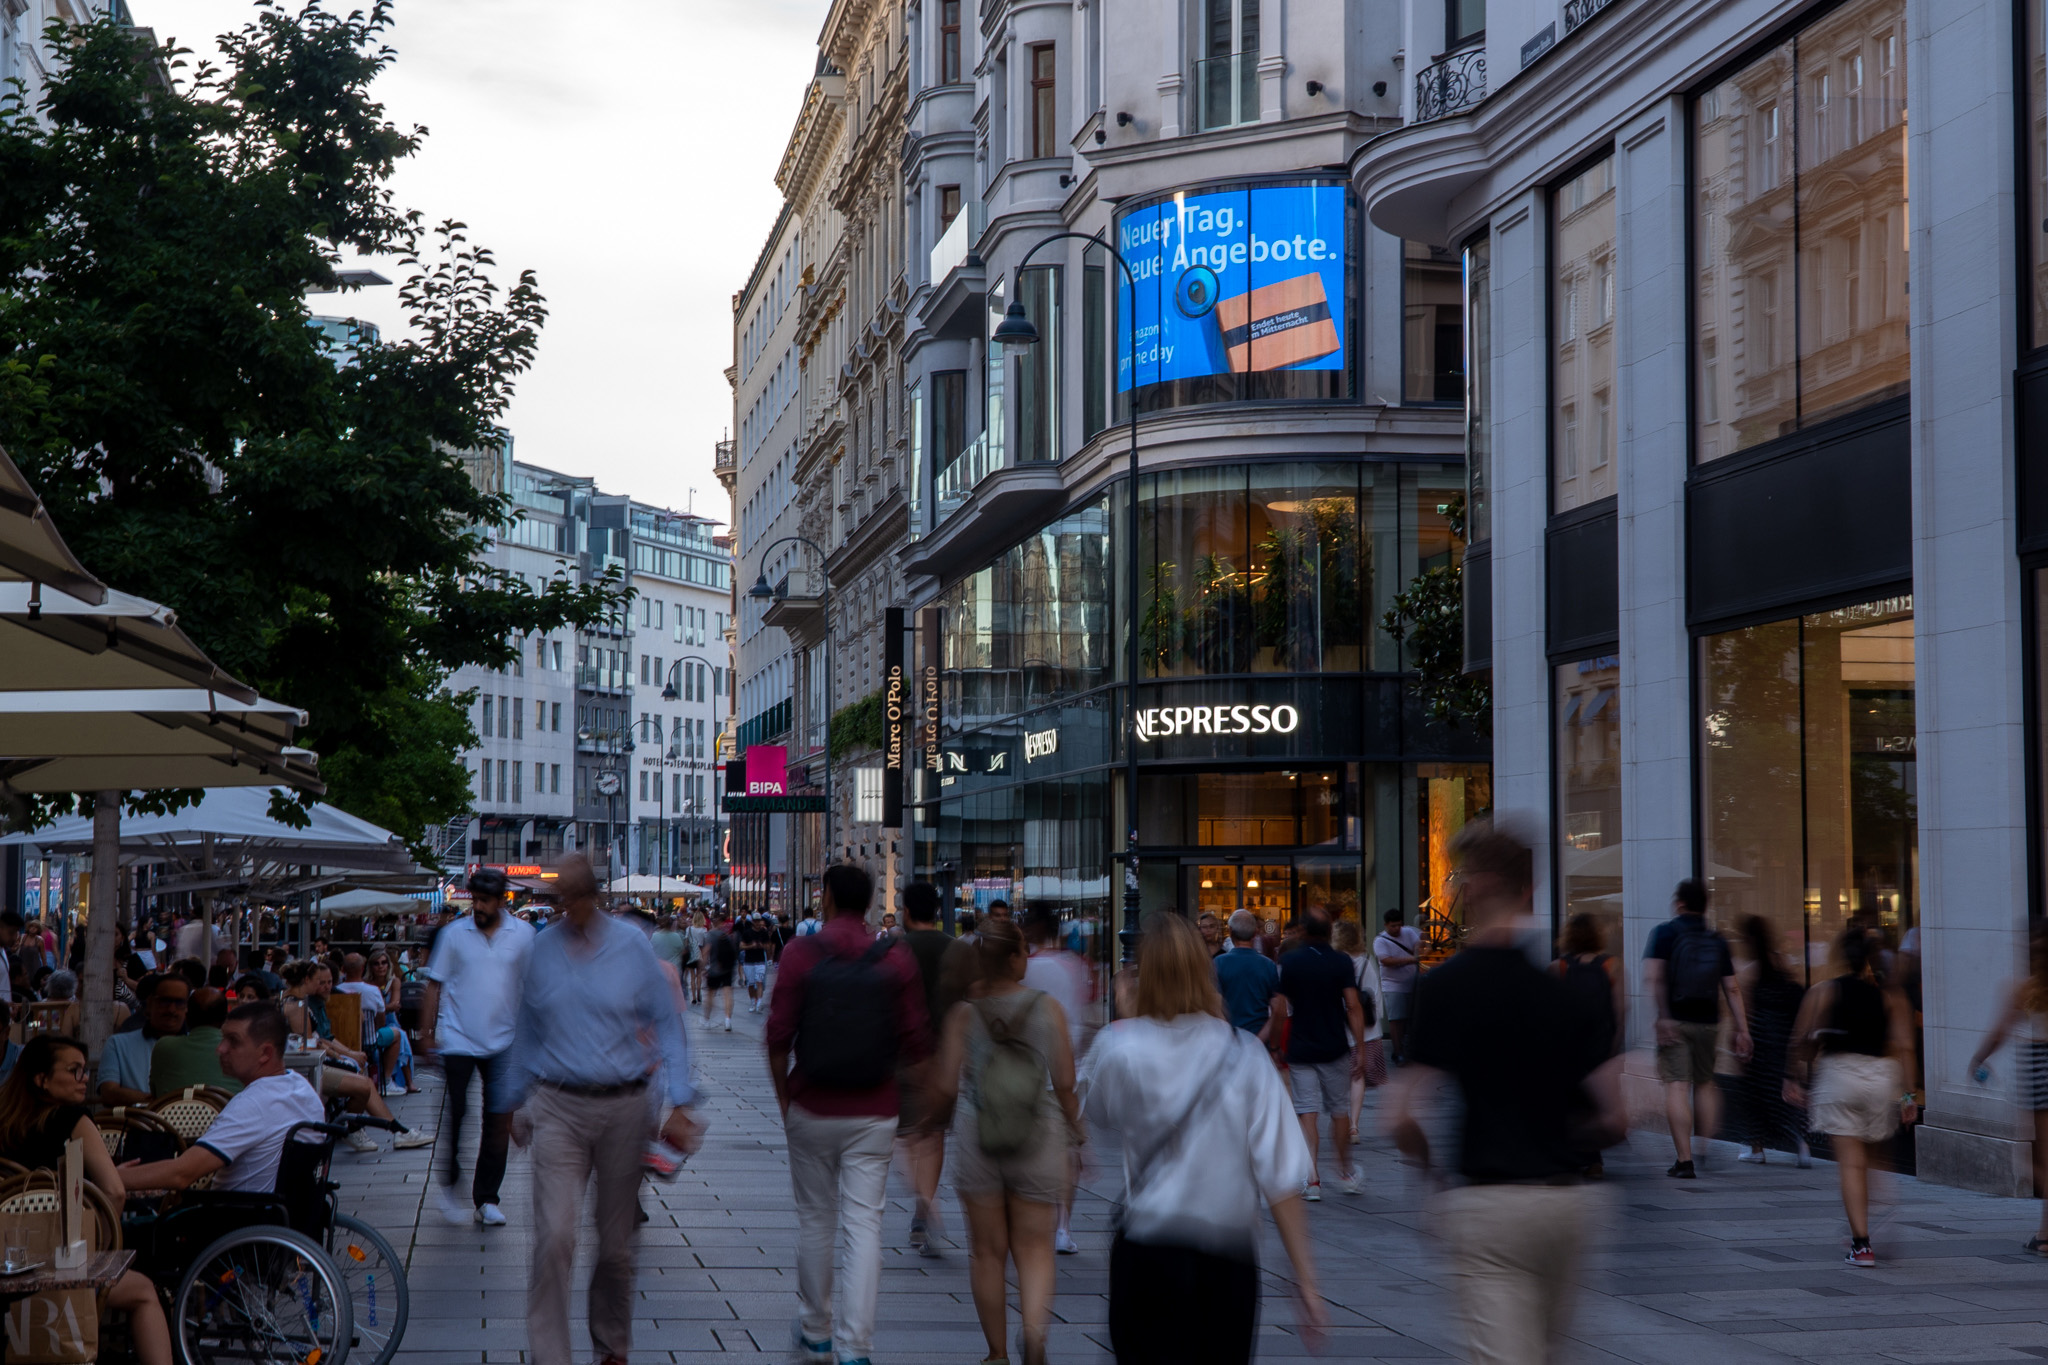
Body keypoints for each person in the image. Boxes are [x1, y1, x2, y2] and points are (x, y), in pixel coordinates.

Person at [1385, 820, 1625, 1365]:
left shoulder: (1445, 987)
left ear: (1472, 889)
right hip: (1565, 1205)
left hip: (1487, 1205)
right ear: (1528, 889)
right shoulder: (1562, 990)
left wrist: (1431, 1176)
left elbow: (1399, 1114)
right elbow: (1613, 1119)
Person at [1085, 912, 1323, 1365]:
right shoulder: (1246, 1054)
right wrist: (1306, 1283)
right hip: (1225, 1258)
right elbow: (1281, 1179)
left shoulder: (1119, 1048)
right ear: (1204, 969)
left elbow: (1096, 1110)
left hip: (1147, 1252)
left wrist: (1130, 1016)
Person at [506, 854, 701, 1365]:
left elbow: (667, 1022)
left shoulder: (632, 947)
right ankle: (552, 1357)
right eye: (557, 899)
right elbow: (526, 1030)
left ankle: (611, 1345)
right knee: (555, 1237)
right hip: (557, 1105)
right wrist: (510, 1102)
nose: (563, 908)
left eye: (570, 897)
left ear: (592, 896)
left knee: (615, 1245)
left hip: (624, 1106)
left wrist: (681, 1098)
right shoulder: (541, 951)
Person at [766, 864, 931, 1365]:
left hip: (812, 1105)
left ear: (829, 898)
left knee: (816, 1220)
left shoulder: (800, 952)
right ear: (868, 902)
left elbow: (777, 1038)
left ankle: (816, 1331)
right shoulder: (895, 957)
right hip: (874, 1110)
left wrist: (784, 1100)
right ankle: (855, 1347)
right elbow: (916, 1042)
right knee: (865, 1226)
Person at [927, 920, 1080, 1365]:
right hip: (1038, 1130)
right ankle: (1034, 1335)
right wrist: (1077, 1130)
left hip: (980, 1135)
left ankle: (996, 1353)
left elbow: (945, 1084)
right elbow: (1066, 1081)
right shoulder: (1046, 1007)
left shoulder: (962, 1014)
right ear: (1017, 959)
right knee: (1034, 1247)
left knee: (986, 1251)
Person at [0, 1035, 174, 1365]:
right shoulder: (72, 1120)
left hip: (7, 1266)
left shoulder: (5, 1120)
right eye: (75, 1070)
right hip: (58, 1266)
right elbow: (115, 1192)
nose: (85, 1079)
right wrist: (99, 1253)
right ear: (42, 1079)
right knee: (144, 1291)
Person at [1786, 927, 1919, 1267]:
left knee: (1851, 1162)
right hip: (1880, 1079)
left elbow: (1801, 1039)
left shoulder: (1823, 991)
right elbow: (1904, 1047)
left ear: (1840, 958)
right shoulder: (1892, 997)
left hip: (1839, 1076)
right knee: (1876, 1159)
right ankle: (1880, 1215)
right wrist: (1908, 1096)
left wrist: (1795, 1078)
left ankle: (1861, 1244)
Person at [423, 866, 536, 1228]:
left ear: (502, 901)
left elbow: (533, 988)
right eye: (476, 899)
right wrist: (427, 1033)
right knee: (457, 1113)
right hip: (458, 1037)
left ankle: (486, 1198)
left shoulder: (524, 935)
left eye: (486, 900)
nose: (479, 907)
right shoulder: (454, 935)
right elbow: (433, 985)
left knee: (497, 1119)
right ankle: (450, 1183)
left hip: (504, 1039)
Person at [120, 1002, 327, 1201]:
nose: (220, 1049)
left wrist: (105, 1177)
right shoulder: (302, 1089)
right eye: (223, 1038)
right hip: (285, 1218)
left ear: (265, 1053)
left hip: (236, 1220)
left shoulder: (253, 1103)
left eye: (233, 1041)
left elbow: (182, 1174)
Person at [1645, 879, 1751, 1177]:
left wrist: (1663, 1015)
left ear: (1679, 903)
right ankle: (1703, 1146)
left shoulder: (1664, 933)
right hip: (1709, 1022)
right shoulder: (1717, 939)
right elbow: (1732, 988)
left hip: (1676, 1021)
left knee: (1678, 1086)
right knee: (1705, 1083)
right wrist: (1743, 1029)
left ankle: (1685, 1159)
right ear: (1706, 906)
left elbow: (1654, 977)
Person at [1271, 911, 1366, 1198]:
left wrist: (1276, 1044)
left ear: (1303, 932)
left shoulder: (1290, 961)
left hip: (1301, 1046)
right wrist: (1360, 1047)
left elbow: (1279, 1008)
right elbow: (1353, 1006)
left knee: (1306, 1113)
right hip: (1334, 1046)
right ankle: (1345, 1171)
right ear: (1328, 933)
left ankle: (1312, 1178)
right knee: (1339, 1112)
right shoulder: (1341, 961)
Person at [1967, 922, 2048, 1255]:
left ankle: (2045, 1236)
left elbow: (2000, 1031)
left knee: (2031, 1157)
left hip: (2037, 1068)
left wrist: (1978, 1060)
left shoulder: (2023, 989)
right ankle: (2044, 1234)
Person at [1021, 907, 1092, 1257]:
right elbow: (1081, 1014)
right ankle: (1063, 1227)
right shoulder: (1075, 966)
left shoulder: (1025, 969)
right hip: (1070, 1070)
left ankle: (1034, 1219)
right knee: (1068, 1152)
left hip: (1030, 1071)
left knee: (1030, 1148)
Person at [899, 881, 954, 1258]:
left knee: (903, 1135)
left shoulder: (894, 949)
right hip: (945, 1056)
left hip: (902, 1056)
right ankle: (925, 1206)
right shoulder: (956, 949)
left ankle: (926, 1207)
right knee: (934, 1135)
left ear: (905, 912)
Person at [1736, 915, 1809, 1167]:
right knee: (1783, 1093)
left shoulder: (1751, 969)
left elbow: (1745, 1010)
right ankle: (1800, 1143)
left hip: (1760, 1038)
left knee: (1755, 1096)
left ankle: (1755, 1148)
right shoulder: (1781, 961)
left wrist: (1739, 1039)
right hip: (1782, 1036)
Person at [1333, 918, 1386, 1142]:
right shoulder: (1366, 962)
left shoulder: (1332, 962)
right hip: (1366, 1030)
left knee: (1337, 1078)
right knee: (1358, 1077)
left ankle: (1342, 1119)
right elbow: (1376, 998)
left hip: (1338, 1028)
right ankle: (1354, 1125)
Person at [100, 972, 187, 1106]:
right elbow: (109, 1092)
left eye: (179, 1003)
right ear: (150, 1003)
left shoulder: (198, 1050)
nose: (172, 1010)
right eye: (165, 1001)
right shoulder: (118, 1045)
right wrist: (162, 1103)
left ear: (187, 1008)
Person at [149, 987, 242, 1095]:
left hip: (173, 1111)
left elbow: (154, 1090)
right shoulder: (242, 1050)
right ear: (225, 1019)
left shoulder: (164, 1046)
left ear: (187, 1017)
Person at [1214, 910, 1282, 1046]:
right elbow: (1279, 1010)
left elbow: (1214, 1007)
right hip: (1260, 1042)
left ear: (1231, 932)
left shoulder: (1218, 963)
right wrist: (1261, 1042)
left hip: (1228, 1044)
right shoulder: (1268, 965)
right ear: (1255, 933)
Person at [1373, 909, 1421, 1063]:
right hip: (1393, 984)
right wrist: (1412, 960)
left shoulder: (1408, 932)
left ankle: (1407, 1049)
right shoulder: (1380, 940)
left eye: (1399, 925)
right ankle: (1398, 1051)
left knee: (1409, 1018)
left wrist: (1422, 946)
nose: (1396, 929)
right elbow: (1386, 960)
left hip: (1411, 981)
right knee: (1396, 1019)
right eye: (1393, 926)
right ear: (1386, 925)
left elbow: (1418, 945)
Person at [704, 915, 738, 1030]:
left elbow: (706, 951)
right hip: (727, 968)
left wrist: (703, 968)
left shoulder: (709, 935)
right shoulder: (727, 936)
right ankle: (728, 1020)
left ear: (712, 923)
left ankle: (707, 1020)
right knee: (728, 993)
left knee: (710, 994)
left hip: (714, 969)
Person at [685, 911, 711, 1003]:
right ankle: (699, 993)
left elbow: (686, 941)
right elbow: (706, 942)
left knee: (692, 976)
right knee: (699, 975)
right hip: (700, 953)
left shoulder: (689, 929)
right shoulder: (704, 930)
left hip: (691, 954)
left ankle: (693, 997)